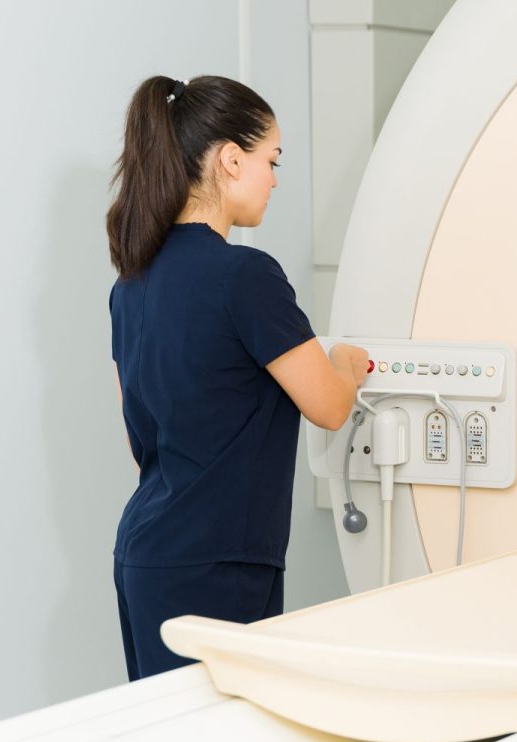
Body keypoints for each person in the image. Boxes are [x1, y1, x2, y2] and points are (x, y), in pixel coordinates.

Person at [105, 75, 369, 680]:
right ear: (230, 159)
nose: (275, 179)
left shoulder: (130, 286)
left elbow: (139, 435)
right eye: (270, 160)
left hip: (146, 554)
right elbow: (329, 406)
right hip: (217, 565)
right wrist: (346, 364)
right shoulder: (245, 276)